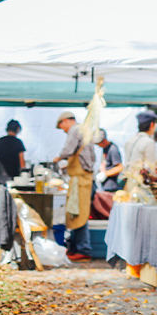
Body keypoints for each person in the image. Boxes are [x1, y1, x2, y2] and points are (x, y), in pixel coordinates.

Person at [54, 111, 95, 261]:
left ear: (65, 121)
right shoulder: (83, 130)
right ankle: (77, 248)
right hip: (81, 179)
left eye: (61, 127)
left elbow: (67, 150)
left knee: (80, 214)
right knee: (76, 212)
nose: (64, 131)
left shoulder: (75, 130)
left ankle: (83, 249)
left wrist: (57, 158)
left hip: (81, 180)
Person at [0, 119, 26, 184]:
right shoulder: (18, 142)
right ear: (18, 129)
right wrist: (23, 175)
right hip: (12, 175)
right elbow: (22, 162)